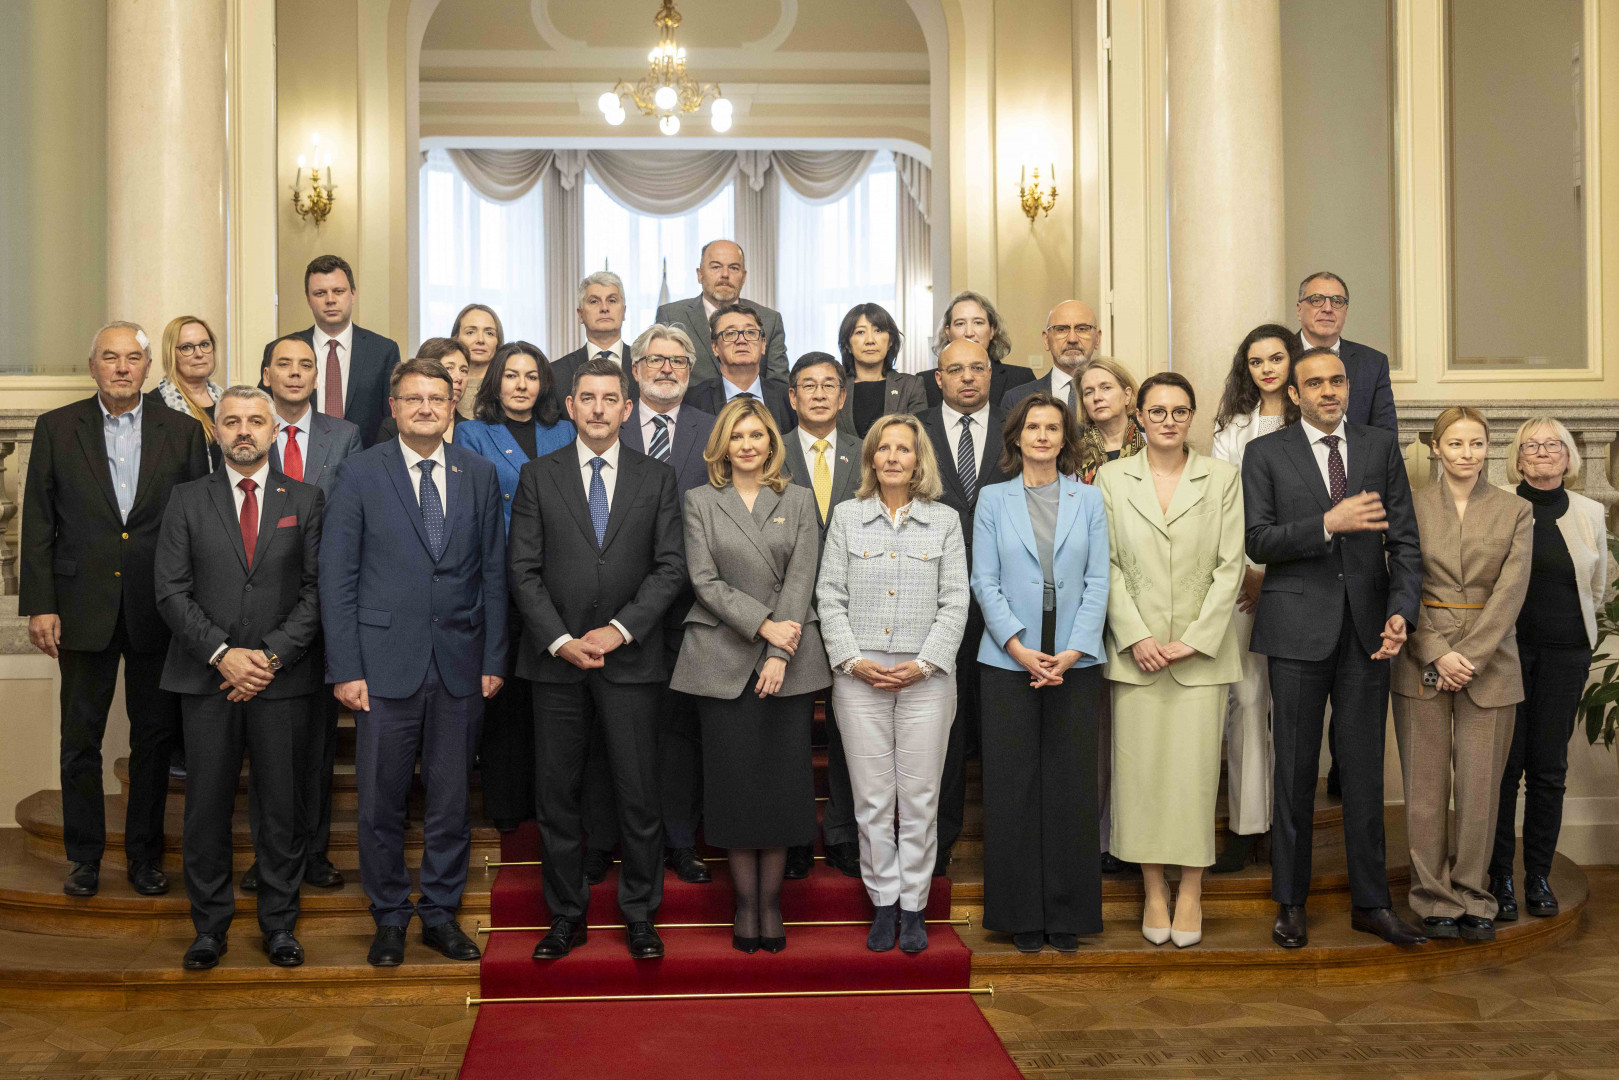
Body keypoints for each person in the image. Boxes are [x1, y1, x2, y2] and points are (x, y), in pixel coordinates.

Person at [320, 357, 508, 967]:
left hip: (461, 664)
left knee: (451, 803)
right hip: (381, 667)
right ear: (394, 408)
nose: (426, 408)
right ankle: (389, 916)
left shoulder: (478, 473)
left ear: (453, 406)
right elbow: (337, 577)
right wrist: (346, 667)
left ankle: (440, 914)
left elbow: (494, 572)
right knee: (381, 803)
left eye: (436, 398)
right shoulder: (359, 473)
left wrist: (494, 657)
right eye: (413, 398)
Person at [1242, 346, 1426, 949]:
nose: (1329, 391)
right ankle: (1290, 903)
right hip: (1296, 630)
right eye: (1316, 383)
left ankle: (1372, 904)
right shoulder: (1265, 453)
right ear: (1294, 394)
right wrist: (1328, 523)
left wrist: (1401, 612)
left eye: (1338, 381)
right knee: (1294, 771)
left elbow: (1405, 542)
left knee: (1365, 773)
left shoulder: (1379, 447)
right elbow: (1259, 540)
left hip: (1369, 632)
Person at [20, 322, 210, 899]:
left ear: (149, 367)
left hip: (159, 607)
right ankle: (84, 857)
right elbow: (38, 522)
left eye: (132, 358)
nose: (122, 368)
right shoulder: (57, 427)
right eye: (110, 357)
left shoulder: (183, 431)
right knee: (81, 739)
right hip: (81, 607)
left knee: (154, 740)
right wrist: (41, 605)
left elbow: (198, 524)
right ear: (93, 366)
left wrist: (195, 606)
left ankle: (144, 858)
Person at [509, 357, 686, 962]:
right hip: (556, 663)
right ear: (570, 406)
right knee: (557, 795)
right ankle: (566, 914)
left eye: (611, 399)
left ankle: (640, 914)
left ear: (627, 408)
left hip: (632, 661)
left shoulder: (657, 477)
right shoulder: (538, 475)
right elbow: (522, 570)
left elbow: (671, 567)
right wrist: (562, 639)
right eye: (587, 398)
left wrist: (618, 631)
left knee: (638, 793)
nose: (599, 409)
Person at [153, 387, 324, 970]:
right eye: (232, 421)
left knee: (282, 810)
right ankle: (209, 928)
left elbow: (317, 591)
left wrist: (269, 658)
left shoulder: (306, 498)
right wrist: (223, 654)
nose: (244, 430)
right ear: (217, 431)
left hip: (283, 681)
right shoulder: (186, 499)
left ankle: (280, 925)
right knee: (205, 810)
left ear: (274, 430)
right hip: (207, 680)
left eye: (255, 420)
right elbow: (170, 591)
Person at [671, 398, 830, 953]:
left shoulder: (800, 499)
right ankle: (746, 905)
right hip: (721, 659)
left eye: (756, 435)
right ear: (722, 444)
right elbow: (703, 580)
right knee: (735, 788)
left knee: (782, 788)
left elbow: (802, 576)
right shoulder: (699, 501)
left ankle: (771, 904)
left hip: (790, 658)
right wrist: (763, 627)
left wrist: (781, 649)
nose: (747, 445)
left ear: (770, 444)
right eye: (736, 436)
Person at [1095, 373, 1245, 949]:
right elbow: (1104, 564)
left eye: (1179, 411)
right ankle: (1154, 890)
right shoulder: (1111, 478)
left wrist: (1197, 639)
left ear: (1191, 416)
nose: (1168, 420)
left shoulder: (1222, 478)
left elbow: (1231, 566)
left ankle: (1192, 892)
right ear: (1139, 415)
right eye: (1156, 410)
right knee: (1140, 780)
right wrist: (1135, 635)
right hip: (1137, 655)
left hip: (1201, 658)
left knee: (1194, 780)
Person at [816, 413, 968, 953]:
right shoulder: (847, 516)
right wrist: (851, 660)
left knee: (921, 798)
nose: (893, 457)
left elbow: (956, 600)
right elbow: (829, 596)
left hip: (927, 679)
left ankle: (914, 906)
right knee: (873, 799)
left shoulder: (944, 521)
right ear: (871, 459)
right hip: (859, 678)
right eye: (884, 448)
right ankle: (883, 903)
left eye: (904, 448)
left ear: (918, 459)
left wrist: (925, 664)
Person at [971, 393, 1109, 954]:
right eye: (1033, 427)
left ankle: (1068, 914)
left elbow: (1099, 580)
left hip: (1076, 659)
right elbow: (984, 580)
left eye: (1053, 428)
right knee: (1013, 788)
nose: (1043, 436)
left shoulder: (1089, 498)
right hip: (1009, 658)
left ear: (1064, 439)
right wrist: (1019, 647)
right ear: (1017, 437)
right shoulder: (992, 498)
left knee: (1071, 787)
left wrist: (1073, 651)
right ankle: (1020, 913)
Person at [1391, 407, 1531, 943]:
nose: (1466, 453)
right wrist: (1435, 652)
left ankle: (1475, 895)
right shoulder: (1410, 505)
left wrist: (1467, 656)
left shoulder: (1515, 510)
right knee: (1425, 789)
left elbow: (1511, 592)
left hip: (1491, 662)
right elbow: (1400, 578)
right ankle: (1433, 898)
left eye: (1476, 443)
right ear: (1436, 448)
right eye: (1455, 443)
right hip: (1421, 657)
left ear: (1488, 448)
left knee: (1480, 789)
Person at [591, 323, 717, 884]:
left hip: (693, 609)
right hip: (613, 610)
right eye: (656, 359)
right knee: (608, 733)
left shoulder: (712, 429)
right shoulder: (607, 422)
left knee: (679, 732)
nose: (667, 369)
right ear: (634, 369)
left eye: (678, 361)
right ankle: (603, 838)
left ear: (691, 371)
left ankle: (680, 841)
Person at [238, 334, 364, 895]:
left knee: (314, 745)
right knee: (264, 751)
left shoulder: (345, 435)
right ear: (266, 374)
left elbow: (355, 512)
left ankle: (313, 851)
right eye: (283, 364)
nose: (295, 373)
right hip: (257, 609)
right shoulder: (247, 432)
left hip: (324, 602)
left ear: (319, 376)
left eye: (305, 365)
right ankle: (269, 855)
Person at [456, 342, 576, 835]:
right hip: (500, 580)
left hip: (559, 580)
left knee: (551, 699)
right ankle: (507, 803)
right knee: (504, 696)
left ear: (544, 383)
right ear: (496, 382)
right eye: (511, 375)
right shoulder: (472, 432)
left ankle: (555, 800)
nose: (521, 385)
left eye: (531, 375)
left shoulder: (565, 429)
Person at [1491, 416, 1607, 921]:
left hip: (1565, 655)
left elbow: (1596, 587)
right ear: (1517, 458)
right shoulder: (1497, 504)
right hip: (1505, 655)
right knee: (1502, 769)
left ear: (1569, 456)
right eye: (1531, 445)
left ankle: (1536, 875)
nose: (1542, 452)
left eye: (1553, 444)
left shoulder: (1590, 511)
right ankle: (1498, 876)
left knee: (1548, 770)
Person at [1207, 324, 1303, 873]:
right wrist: (1248, 571)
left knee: (1291, 708)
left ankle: (1286, 827)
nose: (1267, 369)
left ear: (1294, 361)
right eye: (1256, 361)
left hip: (1302, 578)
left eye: (1276, 358)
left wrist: (1276, 571)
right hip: (1244, 578)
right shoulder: (1232, 428)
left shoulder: (1312, 422)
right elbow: (1223, 503)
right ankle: (1247, 828)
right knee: (1245, 699)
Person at [918, 338, 1009, 876]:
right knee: (944, 731)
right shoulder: (916, 429)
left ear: (991, 372)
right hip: (935, 601)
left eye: (978, 368)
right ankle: (942, 840)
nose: (968, 377)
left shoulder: (1017, 428)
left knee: (1001, 726)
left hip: (1007, 601)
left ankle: (1005, 843)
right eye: (956, 369)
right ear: (939, 377)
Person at [780, 352, 864, 880]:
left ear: (842, 395)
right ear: (792, 397)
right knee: (788, 734)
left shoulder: (867, 451)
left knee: (847, 729)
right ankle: (791, 835)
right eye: (807, 385)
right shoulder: (771, 450)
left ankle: (842, 832)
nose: (818, 393)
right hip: (786, 610)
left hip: (854, 610)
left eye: (828, 385)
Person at [262, 254, 402, 448]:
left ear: (353, 294)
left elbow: (392, 419)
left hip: (366, 458)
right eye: (320, 293)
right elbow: (262, 411)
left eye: (338, 291)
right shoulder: (281, 349)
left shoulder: (383, 350)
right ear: (308, 299)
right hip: (297, 455)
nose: (330, 300)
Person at [657, 239, 789, 385]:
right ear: (700, 274)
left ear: (743, 277)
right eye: (716, 267)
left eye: (733, 268)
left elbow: (778, 385)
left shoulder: (769, 320)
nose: (725, 274)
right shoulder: (672, 316)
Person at [1294, 271, 1397, 433]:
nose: (1328, 308)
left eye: (1337, 302)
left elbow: (1386, 435)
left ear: (1346, 311)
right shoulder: (1278, 358)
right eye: (1316, 300)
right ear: (1299, 310)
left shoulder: (1373, 363)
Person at [683, 302, 796, 435]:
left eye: (751, 332)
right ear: (715, 347)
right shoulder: (692, 401)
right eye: (730, 333)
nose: (741, 340)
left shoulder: (789, 399)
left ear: (763, 344)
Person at [923, 290, 1036, 409]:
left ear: (992, 331)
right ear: (948, 332)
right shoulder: (925, 382)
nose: (969, 333)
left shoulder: (1022, 379)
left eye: (978, 323)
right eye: (960, 324)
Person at [838, 302, 928, 437]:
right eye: (860, 332)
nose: (870, 340)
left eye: (878, 330)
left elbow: (919, 439)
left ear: (890, 341)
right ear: (847, 345)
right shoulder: (835, 387)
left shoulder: (911, 386)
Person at [551, 271, 637, 411]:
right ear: (580, 314)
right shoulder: (556, 373)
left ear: (624, 311)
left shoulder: (645, 366)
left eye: (612, 300)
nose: (604, 308)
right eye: (594, 301)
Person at [1001, 300, 1104, 414]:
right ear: (1046, 340)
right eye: (1061, 329)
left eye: (1082, 329)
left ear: (1097, 339)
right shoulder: (1016, 399)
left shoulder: (1114, 397)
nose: (1072, 339)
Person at [153, 315, 224, 450]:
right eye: (186, 347)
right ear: (171, 354)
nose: (199, 354)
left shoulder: (226, 399)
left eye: (204, 345)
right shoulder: (156, 406)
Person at [378, 338, 469, 443]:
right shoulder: (393, 427)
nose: (459, 378)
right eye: (449, 368)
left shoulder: (472, 430)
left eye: (464, 370)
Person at [1073, 357, 1145, 485]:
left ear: (1127, 395)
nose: (1097, 397)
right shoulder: (1074, 455)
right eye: (1088, 392)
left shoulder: (1152, 445)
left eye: (1106, 388)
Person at [451, 304, 503, 419]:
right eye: (470, 332)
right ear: (456, 338)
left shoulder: (508, 386)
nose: (480, 340)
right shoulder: (441, 382)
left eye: (489, 333)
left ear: (498, 342)